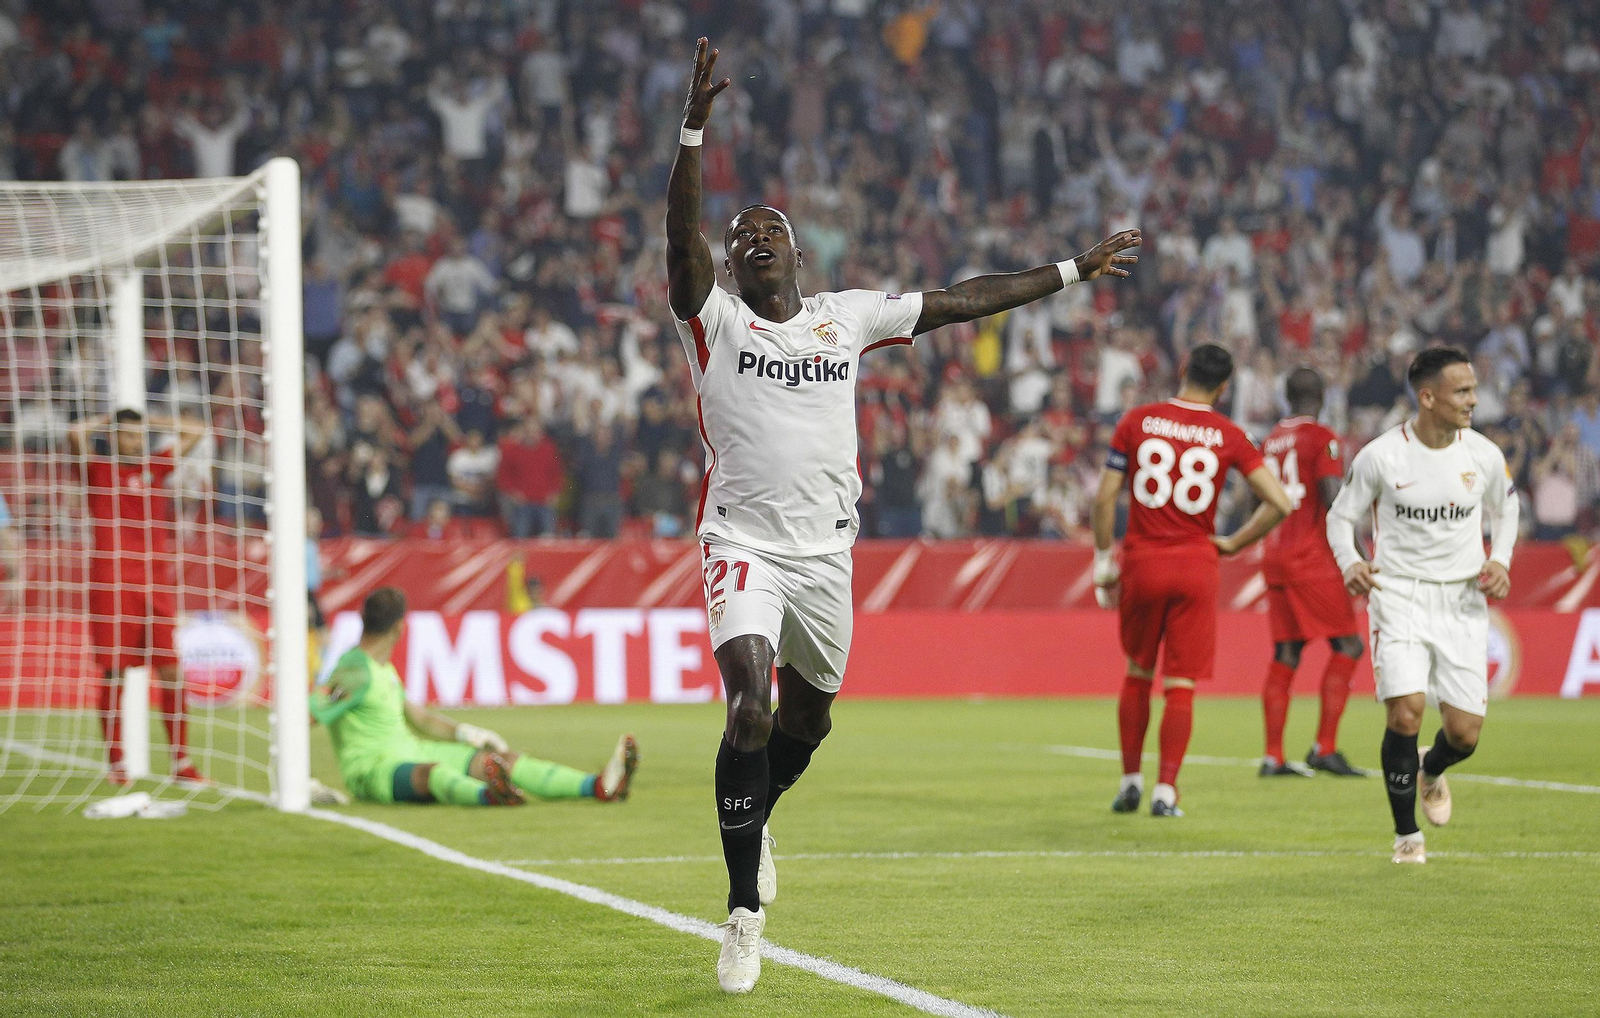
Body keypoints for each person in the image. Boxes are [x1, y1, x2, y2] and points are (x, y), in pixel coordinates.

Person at [666, 38, 1141, 995]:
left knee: (808, 722)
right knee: (750, 701)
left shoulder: (847, 315)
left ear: (799, 252)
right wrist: (692, 132)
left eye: (768, 230)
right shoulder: (713, 320)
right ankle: (742, 915)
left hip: (827, 557)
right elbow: (679, 247)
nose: (749, 239)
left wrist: (1072, 270)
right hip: (744, 544)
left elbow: (964, 299)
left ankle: (757, 822)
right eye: (738, 234)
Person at [1326, 347, 1519, 865]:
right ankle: (1406, 835)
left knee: (1464, 734)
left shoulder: (1481, 455)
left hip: (1461, 600)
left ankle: (1432, 771)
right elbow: (1339, 518)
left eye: (1473, 389)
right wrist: (1350, 563)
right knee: (1406, 712)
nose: (1473, 400)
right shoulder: (1382, 456)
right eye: (1462, 391)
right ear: (1427, 396)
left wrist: (1499, 559)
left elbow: (1507, 509)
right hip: (1398, 596)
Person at [1091, 345, 1293, 818]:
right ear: (1224, 389)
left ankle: (1129, 782)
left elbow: (1104, 499)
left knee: (1138, 671)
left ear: (1181, 371)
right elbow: (1280, 502)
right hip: (1196, 565)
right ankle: (1166, 792)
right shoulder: (1228, 434)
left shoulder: (1136, 421)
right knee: (1180, 683)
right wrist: (1235, 543)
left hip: (1143, 561)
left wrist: (1104, 560)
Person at [311, 587, 639, 807]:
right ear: (399, 628)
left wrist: (469, 734)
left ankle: (597, 786)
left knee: (502, 760)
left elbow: (421, 719)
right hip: (373, 771)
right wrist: (297, 777)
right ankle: (490, 795)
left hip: (412, 751)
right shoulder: (354, 672)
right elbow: (310, 712)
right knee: (434, 773)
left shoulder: (379, 668)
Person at [68, 409, 208, 785]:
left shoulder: (155, 468)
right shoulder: (99, 471)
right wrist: (104, 422)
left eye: (138, 436)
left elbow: (197, 430)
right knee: (114, 673)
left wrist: (155, 423)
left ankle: (182, 764)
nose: (135, 442)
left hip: (154, 585)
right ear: (114, 439)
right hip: (112, 584)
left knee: (171, 672)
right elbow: (74, 433)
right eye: (127, 436)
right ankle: (117, 763)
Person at [1257, 368, 1366, 778]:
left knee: (1287, 651)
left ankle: (1272, 756)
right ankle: (1325, 748)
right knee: (1348, 646)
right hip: (1313, 558)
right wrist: (1358, 553)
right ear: (1321, 395)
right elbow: (1333, 499)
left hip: (1277, 556)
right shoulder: (1322, 438)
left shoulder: (1270, 440)